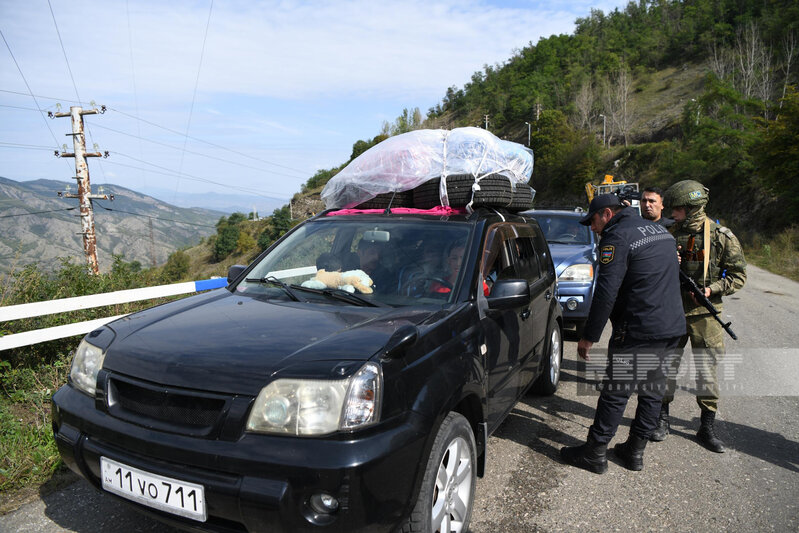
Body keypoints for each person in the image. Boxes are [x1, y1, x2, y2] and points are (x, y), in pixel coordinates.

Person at [560, 194, 685, 473]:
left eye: (593, 221)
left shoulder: (617, 237)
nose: (593, 228)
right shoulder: (659, 231)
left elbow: (606, 292)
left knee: (616, 392)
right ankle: (635, 451)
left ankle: (595, 452)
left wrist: (589, 336)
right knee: (653, 391)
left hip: (640, 328)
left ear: (607, 214)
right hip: (671, 326)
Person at [649, 180, 747, 453]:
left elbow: (739, 276)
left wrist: (711, 289)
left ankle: (707, 426)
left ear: (692, 208)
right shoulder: (666, 234)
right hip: (672, 311)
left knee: (707, 371)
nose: (672, 213)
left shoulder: (721, 237)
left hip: (705, 314)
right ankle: (662, 419)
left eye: (677, 208)